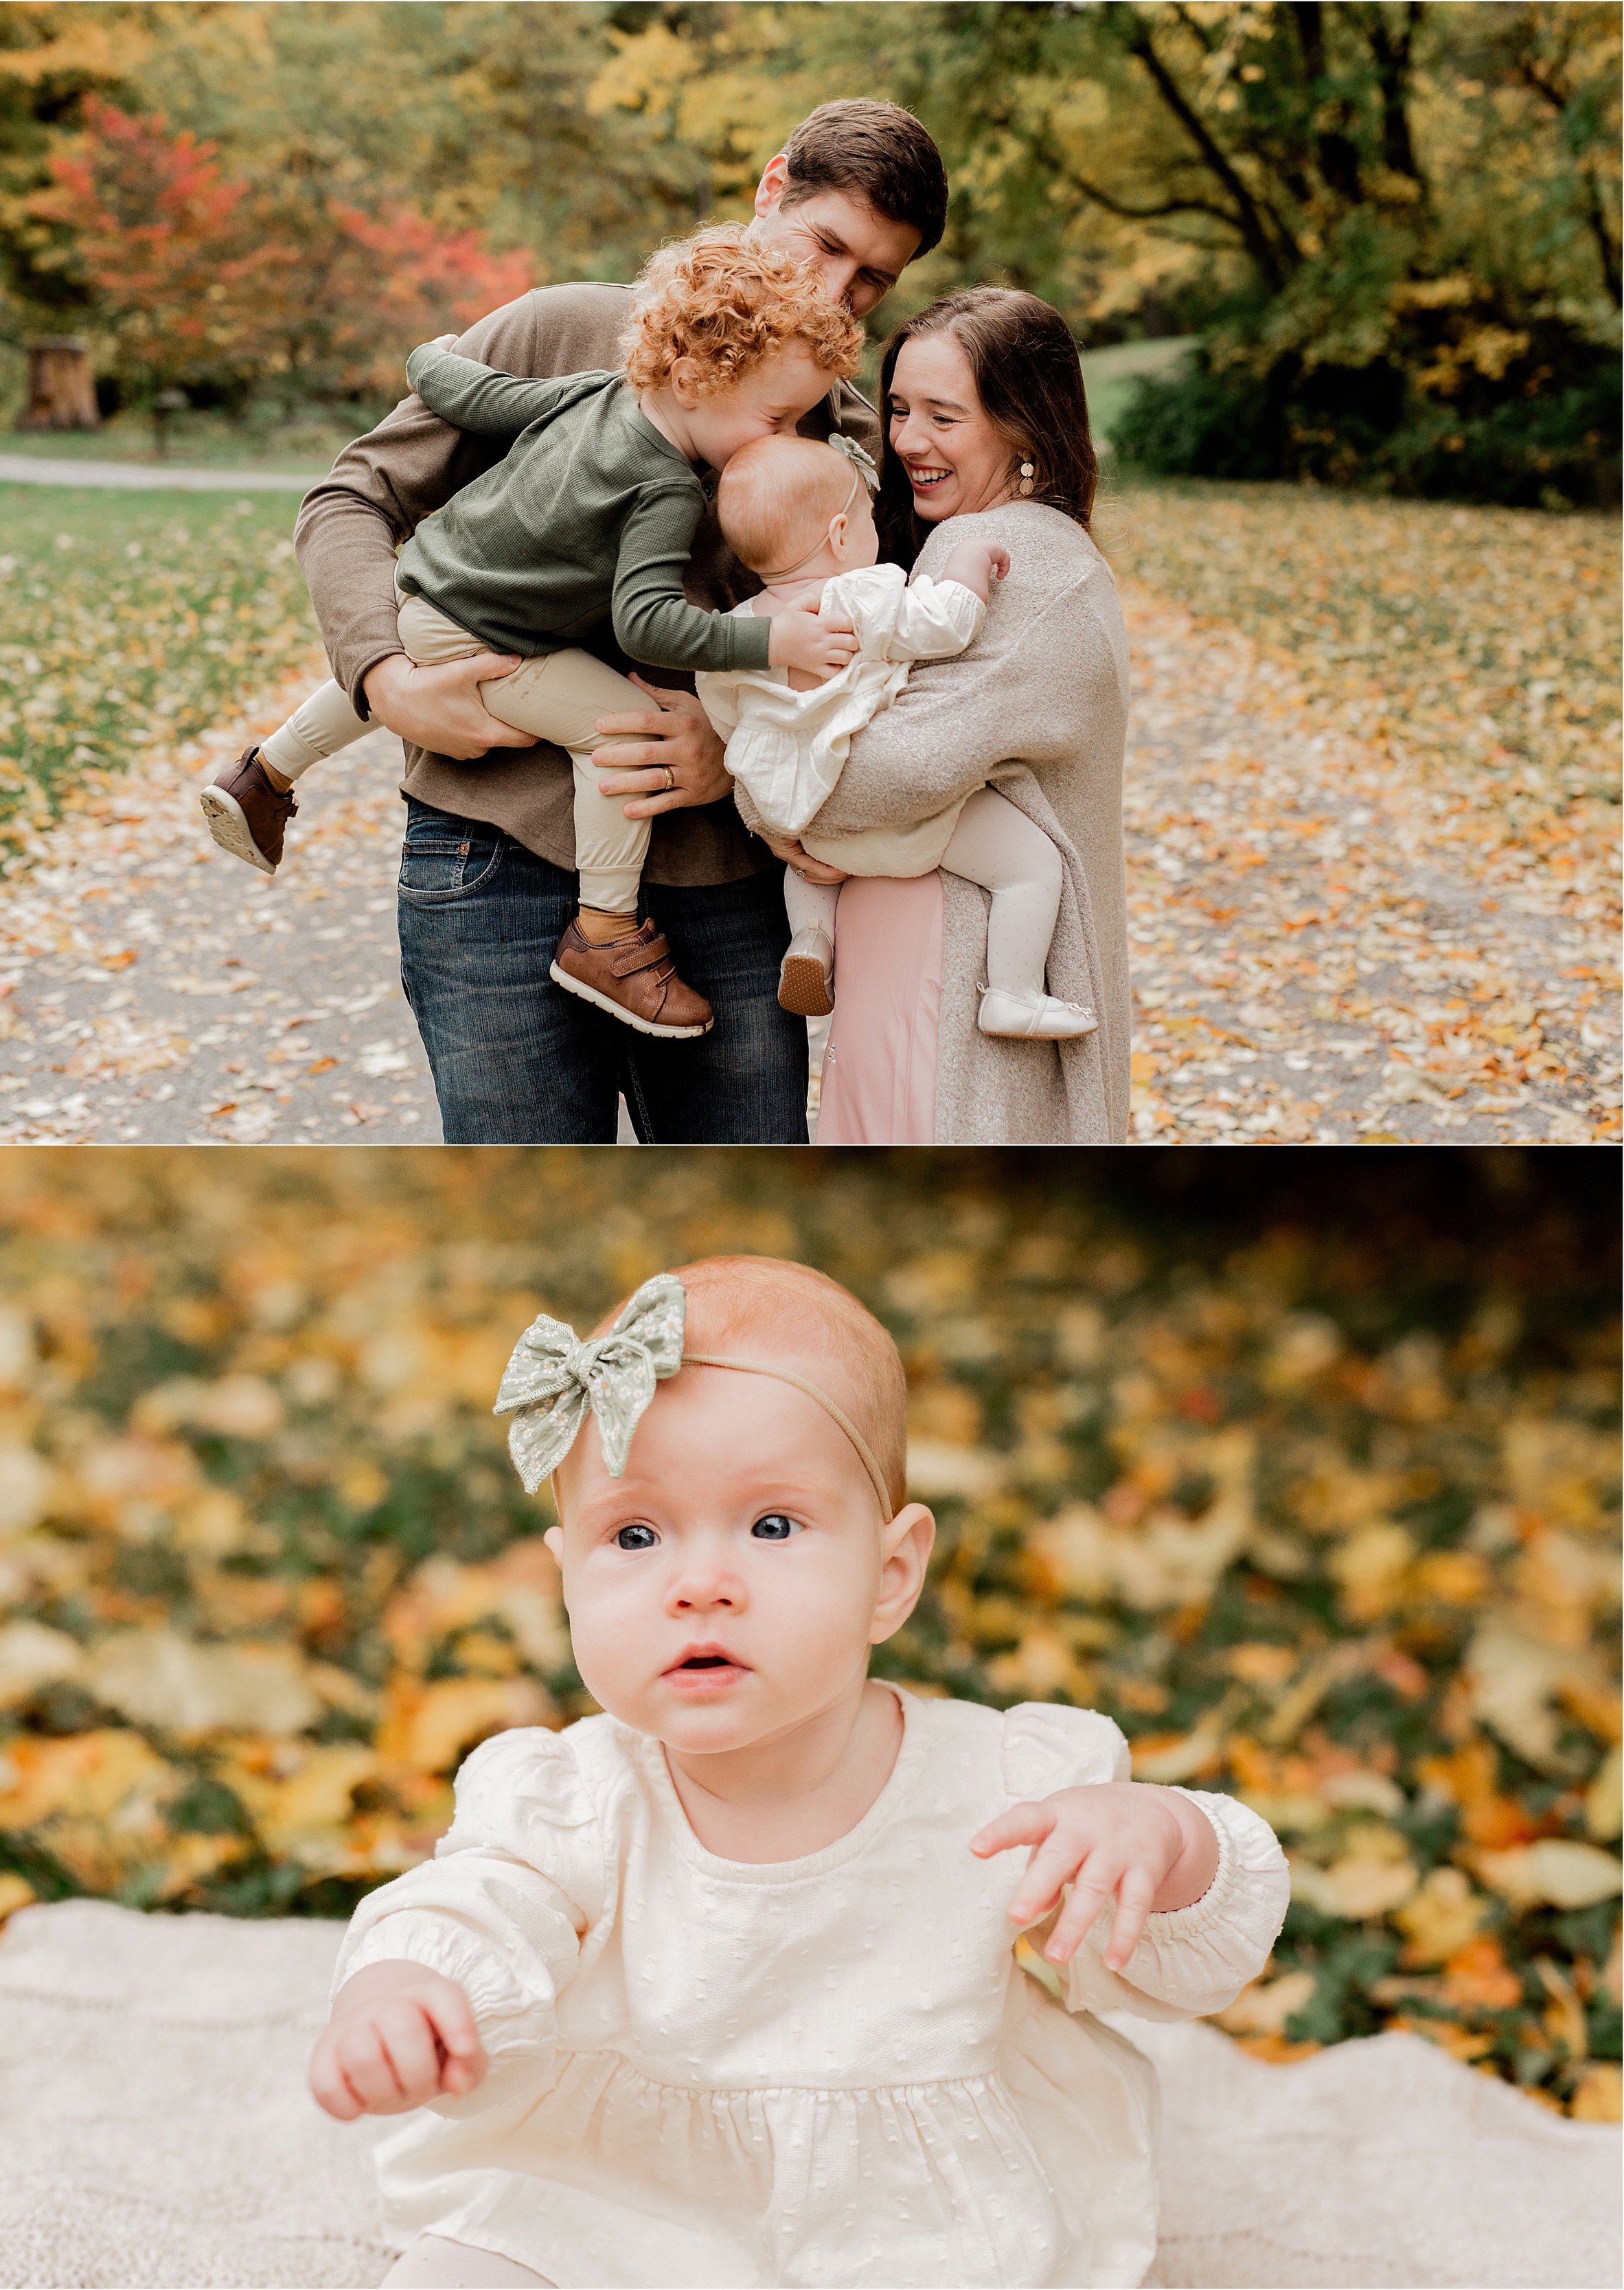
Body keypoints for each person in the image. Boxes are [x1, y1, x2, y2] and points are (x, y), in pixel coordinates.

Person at [308, 1258, 1290, 2290]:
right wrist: (412, 1984)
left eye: (773, 1525)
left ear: (890, 1573)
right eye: (634, 1534)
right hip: (611, 2192)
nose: (700, 1586)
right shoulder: (575, 1794)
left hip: (904, 2221)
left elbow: (1182, 1971)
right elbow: (481, 1902)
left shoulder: (1002, 1785)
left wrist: (1164, 1844)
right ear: (566, 1574)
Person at [286, 102, 949, 1142]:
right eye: (825, 245)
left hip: (722, 888)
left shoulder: (845, 437)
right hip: (487, 860)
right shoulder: (557, 331)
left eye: (872, 279)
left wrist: (731, 751)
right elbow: (350, 500)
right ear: (772, 189)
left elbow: (896, 674)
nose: (837, 291)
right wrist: (386, 680)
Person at [201, 231, 862, 1042]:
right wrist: (774, 644)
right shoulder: (667, 491)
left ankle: (261, 776)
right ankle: (606, 934)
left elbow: (476, 396)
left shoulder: (595, 392)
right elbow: (645, 620)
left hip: (429, 589)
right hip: (497, 631)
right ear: (693, 379)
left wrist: (430, 357)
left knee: (408, 652)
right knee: (618, 732)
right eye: (776, 418)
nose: (785, 441)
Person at [768, 288, 1133, 1144]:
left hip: (954, 983)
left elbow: (884, 771)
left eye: (944, 415)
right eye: (898, 409)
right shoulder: (964, 549)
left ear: (1024, 424)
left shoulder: (1024, 563)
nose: (907, 441)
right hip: (913, 961)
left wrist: (753, 783)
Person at [696, 431, 1099, 1042]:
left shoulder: (738, 633)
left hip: (809, 829)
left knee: (803, 868)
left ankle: (813, 939)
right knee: (1030, 865)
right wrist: (967, 564)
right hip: (898, 819)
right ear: (838, 534)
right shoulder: (859, 597)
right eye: (864, 517)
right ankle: (1013, 992)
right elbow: (947, 625)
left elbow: (729, 720)